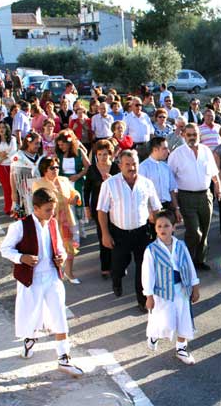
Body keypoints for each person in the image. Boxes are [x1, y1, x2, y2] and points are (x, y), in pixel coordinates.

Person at [0, 188, 84, 378]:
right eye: (47, 210)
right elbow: (5, 249)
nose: (51, 213)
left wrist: (60, 257)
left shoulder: (52, 223)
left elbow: (59, 247)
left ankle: (64, 356)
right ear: (35, 208)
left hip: (52, 277)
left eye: (52, 209)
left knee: (59, 314)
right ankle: (30, 340)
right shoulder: (20, 227)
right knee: (31, 314)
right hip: (32, 279)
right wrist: (21, 257)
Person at [97, 150, 162, 311]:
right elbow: (102, 211)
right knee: (118, 265)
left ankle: (142, 300)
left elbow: (156, 208)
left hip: (142, 232)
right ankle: (116, 280)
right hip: (119, 233)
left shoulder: (147, 183)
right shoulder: (109, 184)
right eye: (127, 164)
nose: (131, 168)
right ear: (119, 166)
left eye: (134, 164)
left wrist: (160, 227)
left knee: (143, 267)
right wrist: (105, 234)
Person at [143, 210, 200, 365]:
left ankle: (181, 348)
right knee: (164, 320)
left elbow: (189, 265)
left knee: (183, 318)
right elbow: (148, 273)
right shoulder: (151, 250)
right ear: (155, 228)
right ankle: (154, 335)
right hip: (162, 292)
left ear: (174, 227)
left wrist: (195, 286)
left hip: (181, 288)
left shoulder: (181, 246)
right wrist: (148, 295)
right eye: (159, 226)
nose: (163, 229)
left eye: (167, 226)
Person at [168, 123, 221, 271]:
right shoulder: (176, 154)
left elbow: (213, 171)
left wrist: (217, 186)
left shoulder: (205, 151)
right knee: (194, 231)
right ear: (184, 135)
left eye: (195, 135)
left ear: (199, 135)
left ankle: (200, 260)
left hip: (205, 196)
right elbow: (170, 179)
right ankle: (187, 261)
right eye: (189, 135)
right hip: (186, 197)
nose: (192, 138)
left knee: (204, 230)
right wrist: (175, 204)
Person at [33, 157, 82, 284]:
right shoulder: (39, 183)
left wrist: (76, 196)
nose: (55, 170)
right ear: (44, 170)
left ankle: (69, 272)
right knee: (52, 247)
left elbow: (73, 192)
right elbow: (38, 201)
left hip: (67, 218)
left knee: (70, 246)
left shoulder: (64, 180)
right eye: (52, 168)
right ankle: (55, 274)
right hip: (50, 220)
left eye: (57, 167)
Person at [84, 140, 120, 280]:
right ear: (96, 155)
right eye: (100, 154)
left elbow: (121, 187)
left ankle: (117, 265)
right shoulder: (92, 169)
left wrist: (112, 180)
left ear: (110, 155)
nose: (103, 157)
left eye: (106, 154)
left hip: (115, 208)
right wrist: (86, 207)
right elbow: (86, 191)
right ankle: (105, 267)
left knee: (116, 236)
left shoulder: (116, 168)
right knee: (103, 236)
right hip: (98, 208)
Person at [140, 136, 181, 239]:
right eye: (164, 148)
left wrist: (176, 209)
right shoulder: (143, 167)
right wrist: (149, 212)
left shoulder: (166, 167)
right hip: (153, 208)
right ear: (155, 149)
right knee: (155, 239)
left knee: (169, 238)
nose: (167, 151)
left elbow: (172, 190)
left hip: (167, 207)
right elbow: (142, 193)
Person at [55, 130, 90, 230]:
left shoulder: (79, 152)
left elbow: (88, 166)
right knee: (68, 207)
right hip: (64, 184)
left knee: (78, 204)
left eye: (63, 144)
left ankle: (81, 229)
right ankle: (70, 230)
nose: (61, 147)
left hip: (77, 182)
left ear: (69, 143)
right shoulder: (59, 154)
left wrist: (78, 175)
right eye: (59, 145)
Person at [11, 131, 44, 219]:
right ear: (28, 142)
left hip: (40, 191)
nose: (39, 146)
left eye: (39, 143)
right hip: (25, 193)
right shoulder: (19, 157)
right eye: (36, 143)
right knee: (28, 218)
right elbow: (13, 176)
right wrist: (14, 193)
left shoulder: (41, 156)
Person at [0, 122, 17, 215]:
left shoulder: (12, 139)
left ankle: (16, 207)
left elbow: (13, 153)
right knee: (6, 187)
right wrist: (0, 154)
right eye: (0, 127)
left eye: (4, 127)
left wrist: (0, 158)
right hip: (1, 167)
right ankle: (8, 208)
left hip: (12, 166)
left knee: (14, 187)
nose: (1, 129)